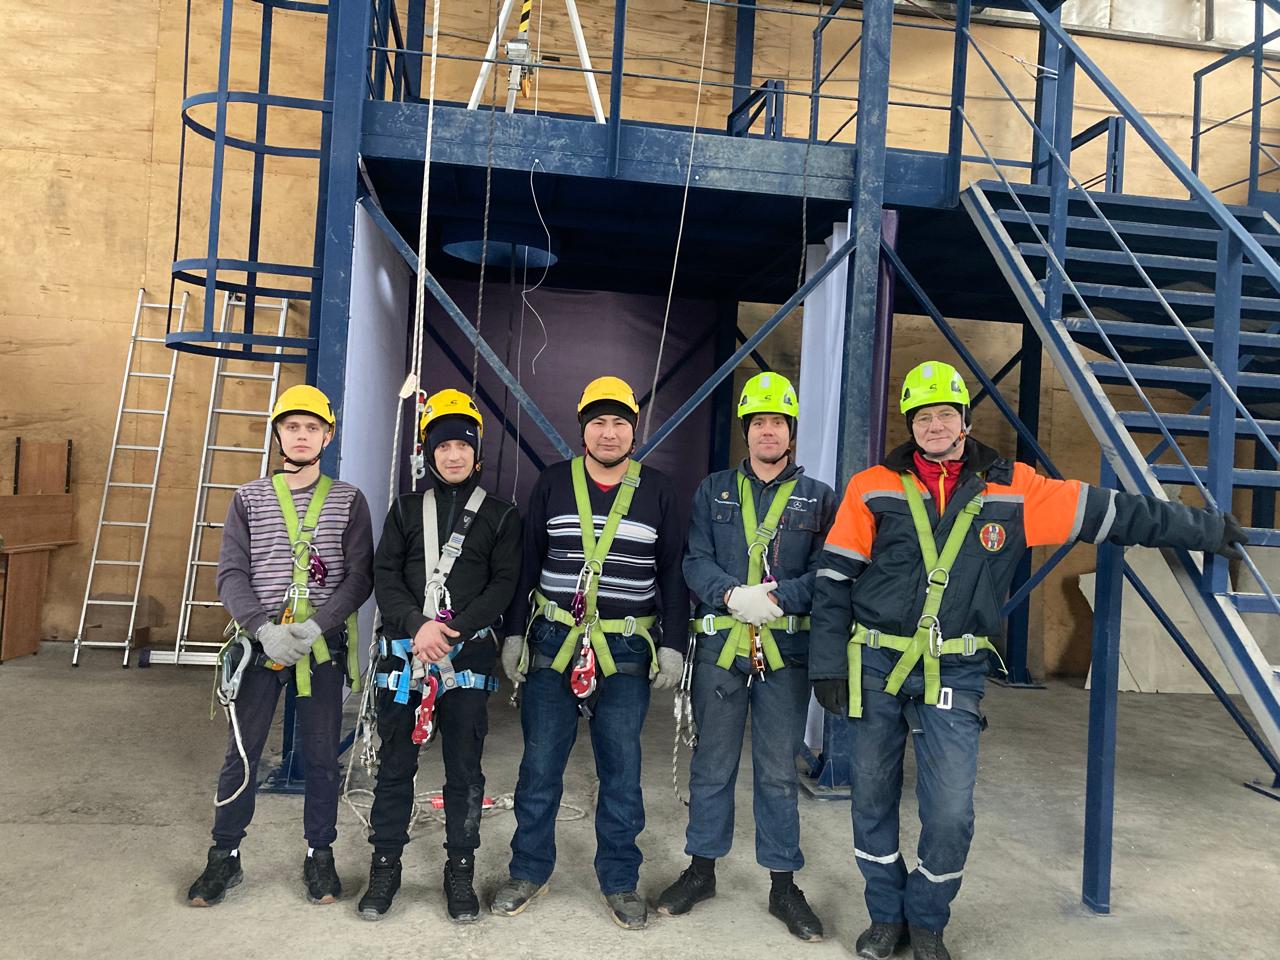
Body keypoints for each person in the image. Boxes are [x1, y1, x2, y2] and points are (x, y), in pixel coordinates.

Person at [808, 361, 1248, 960]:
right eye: (923, 416)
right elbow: (834, 581)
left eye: (945, 414)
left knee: (951, 812)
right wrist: (828, 665)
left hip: (954, 668)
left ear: (965, 421)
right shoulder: (872, 487)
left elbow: (1107, 512)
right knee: (871, 799)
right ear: (910, 425)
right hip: (876, 665)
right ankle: (886, 916)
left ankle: (928, 921)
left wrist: (1199, 528)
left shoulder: (1014, 489)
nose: (935, 426)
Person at [490, 375, 688, 930]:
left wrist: (674, 644)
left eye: (619, 423)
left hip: (625, 647)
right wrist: (514, 633)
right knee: (540, 764)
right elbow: (528, 562)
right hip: (553, 642)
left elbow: (673, 573)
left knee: (621, 768)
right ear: (583, 430)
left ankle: (620, 879)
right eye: (598, 422)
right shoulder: (553, 483)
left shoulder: (660, 491)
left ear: (634, 431)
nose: (608, 432)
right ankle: (528, 870)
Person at [656, 372, 837, 941]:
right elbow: (694, 560)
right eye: (758, 422)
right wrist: (732, 595)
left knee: (779, 771)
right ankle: (701, 871)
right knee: (712, 765)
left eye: (777, 423)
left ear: (791, 432)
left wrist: (779, 598)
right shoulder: (714, 490)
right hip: (721, 647)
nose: (767, 432)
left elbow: (828, 571)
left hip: (785, 652)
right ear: (746, 431)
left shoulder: (819, 497)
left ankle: (783, 886)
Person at [187, 384, 374, 907]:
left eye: (312, 427)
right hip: (259, 646)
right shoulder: (248, 498)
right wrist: (263, 628)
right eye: (292, 427)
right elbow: (230, 574)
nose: (301, 436)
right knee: (242, 752)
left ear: (328, 436)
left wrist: (315, 628)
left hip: (320, 649)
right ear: (277, 434)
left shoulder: (348, 500)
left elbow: (359, 577)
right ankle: (224, 855)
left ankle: (320, 854)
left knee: (321, 755)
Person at [356, 389, 522, 922]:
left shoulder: (501, 516)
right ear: (429, 453)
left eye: (462, 446)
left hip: (465, 662)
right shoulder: (406, 510)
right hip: (405, 657)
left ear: (478, 452)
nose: (453, 455)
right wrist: (417, 626)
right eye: (443, 446)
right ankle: (385, 868)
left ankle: (460, 871)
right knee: (395, 767)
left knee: (465, 772)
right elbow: (385, 574)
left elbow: (503, 585)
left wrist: (453, 631)